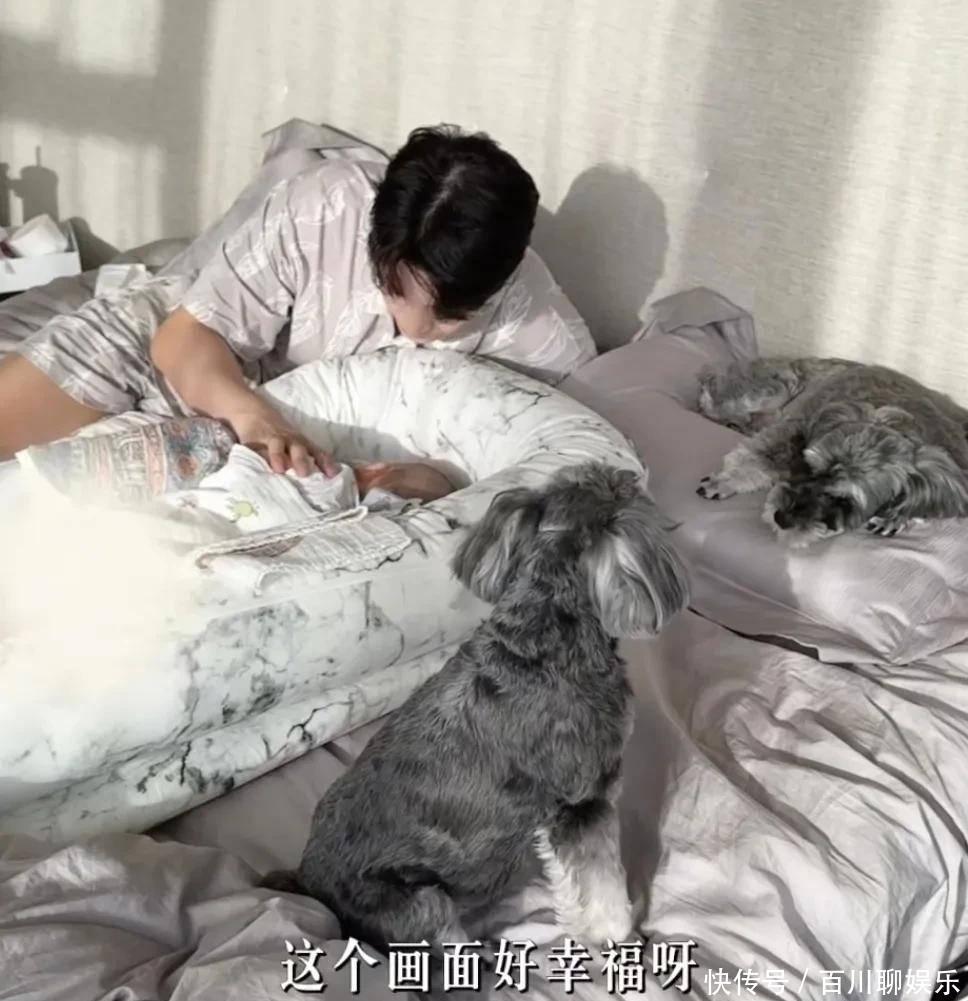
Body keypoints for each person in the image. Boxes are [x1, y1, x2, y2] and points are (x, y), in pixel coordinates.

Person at [0, 126, 595, 500]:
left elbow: (499, 480)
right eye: (394, 291)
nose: (416, 328)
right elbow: (185, 336)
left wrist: (409, 480)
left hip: (309, 459)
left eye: (448, 318)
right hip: (205, 357)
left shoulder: (545, 347)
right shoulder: (333, 202)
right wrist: (253, 418)